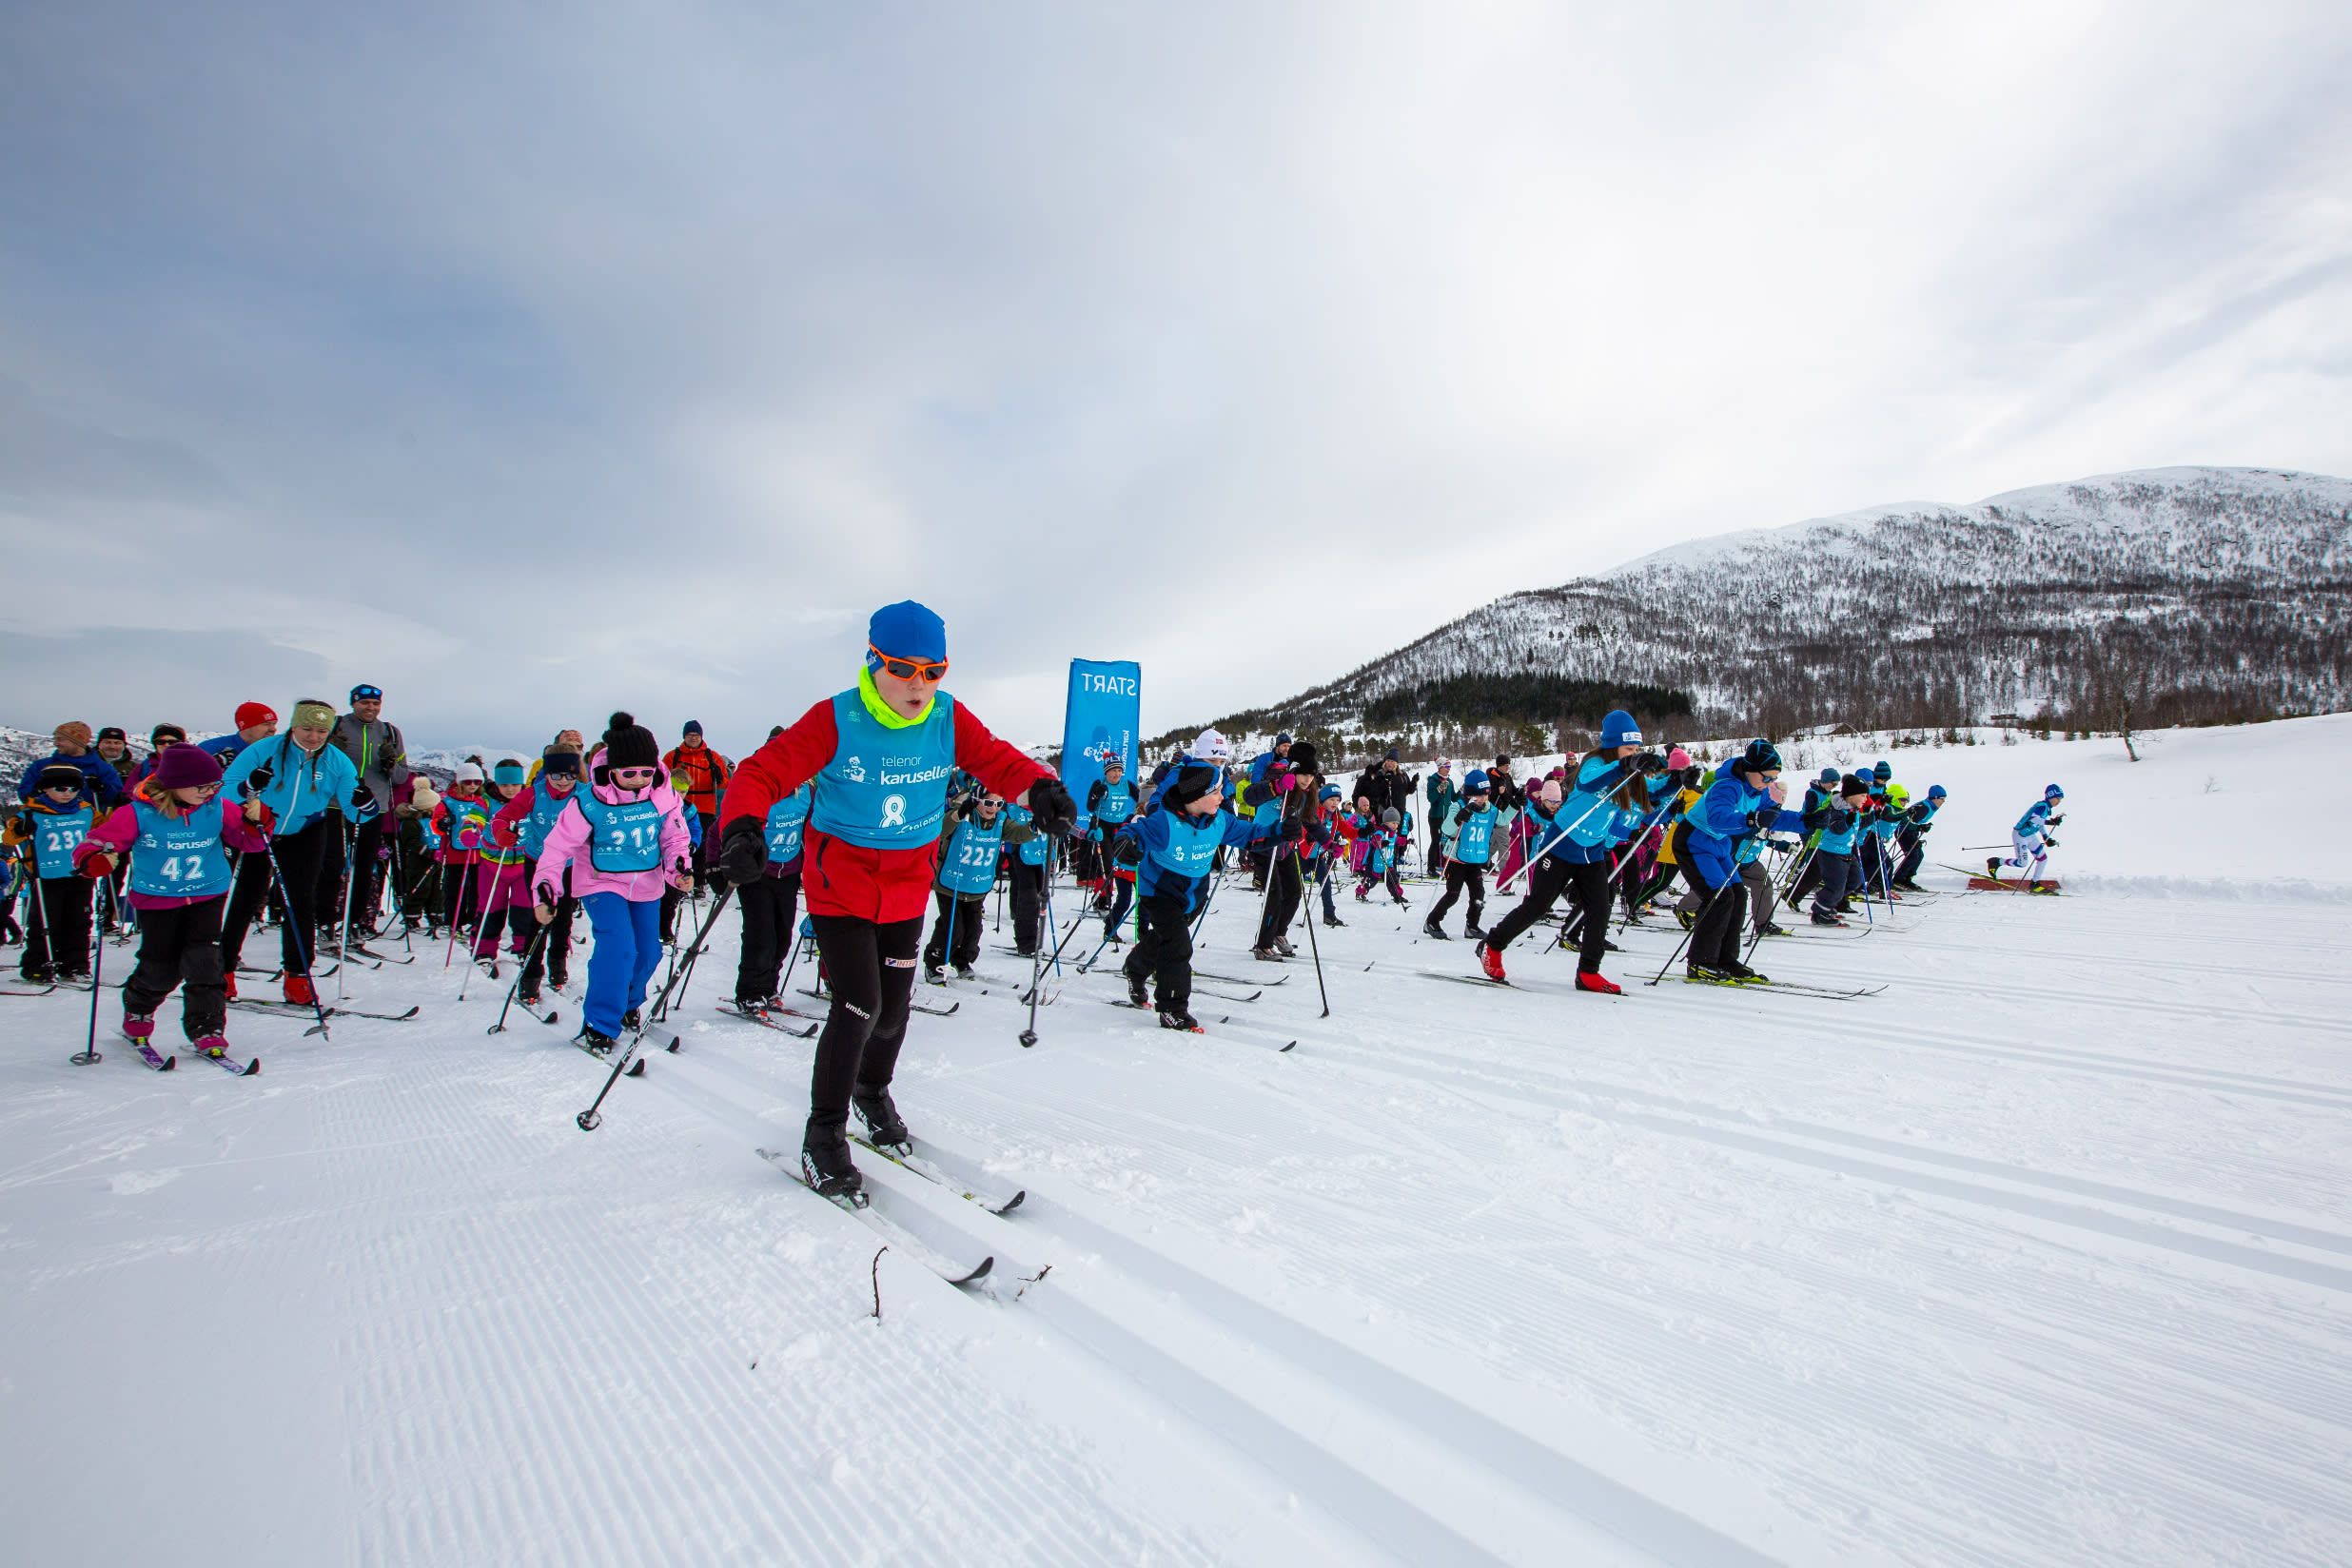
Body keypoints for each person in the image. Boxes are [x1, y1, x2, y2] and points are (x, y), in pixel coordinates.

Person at [710, 601, 1070, 1200]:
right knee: (857, 1005)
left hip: (906, 884)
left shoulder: (948, 718)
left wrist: (1039, 787)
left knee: (895, 1012)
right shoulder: (836, 719)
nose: (919, 684)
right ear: (873, 661)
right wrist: (742, 824)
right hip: (841, 883)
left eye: (935, 670)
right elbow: (763, 771)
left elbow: (996, 758)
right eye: (905, 668)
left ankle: (871, 1092)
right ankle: (823, 1133)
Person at [72, 743, 268, 1063]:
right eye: (201, 786)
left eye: (214, 785)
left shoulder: (217, 807)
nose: (210, 792)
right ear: (175, 784)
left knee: (205, 962)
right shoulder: (138, 813)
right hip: (157, 898)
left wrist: (257, 820)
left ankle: (206, 1027)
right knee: (161, 966)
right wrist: (94, 859)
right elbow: (97, 843)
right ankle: (138, 1009)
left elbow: (251, 842)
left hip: (207, 893)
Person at [527, 716, 694, 1049]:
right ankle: (600, 1022)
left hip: (646, 882)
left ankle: (628, 1004)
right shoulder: (589, 801)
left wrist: (679, 869)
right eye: (629, 773)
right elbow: (558, 848)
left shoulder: (663, 794)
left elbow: (675, 837)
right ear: (613, 769)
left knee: (648, 952)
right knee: (618, 949)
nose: (639, 780)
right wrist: (546, 890)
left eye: (646, 772)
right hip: (601, 882)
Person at [1477, 711, 1650, 990]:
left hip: (1591, 851)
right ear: (1613, 745)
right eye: (1629, 748)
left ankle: (1588, 972)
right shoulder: (1596, 763)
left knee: (1600, 908)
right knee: (1538, 905)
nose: (1633, 753)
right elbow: (1588, 782)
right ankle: (1493, 945)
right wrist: (1627, 764)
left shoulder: (1628, 773)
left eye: (1636, 749)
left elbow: (1651, 790)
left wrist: (1676, 780)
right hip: (1562, 844)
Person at [216, 700, 363, 1002]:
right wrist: (247, 787)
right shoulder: (263, 750)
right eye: (307, 728)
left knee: (300, 901)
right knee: (247, 896)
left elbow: (353, 808)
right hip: (261, 828)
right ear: (294, 725)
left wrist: (364, 804)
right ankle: (223, 970)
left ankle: (297, 976)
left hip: (306, 831)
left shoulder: (336, 760)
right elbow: (225, 789)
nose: (313, 736)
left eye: (322, 730)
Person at [1113, 763, 1259, 1031]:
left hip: (1192, 893)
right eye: (1216, 792)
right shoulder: (1165, 820)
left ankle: (1135, 966)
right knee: (1179, 946)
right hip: (1159, 891)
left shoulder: (1218, 819)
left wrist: (1282, 832)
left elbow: (1250, 834)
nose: (1222, 797)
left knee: (1167, 937)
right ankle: (1172, 1009)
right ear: (1197, 797)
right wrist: (1125, 843)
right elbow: (1132, 832)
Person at [1675, 739, 1796, 984]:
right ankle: (1700, 962)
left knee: (1738, 895)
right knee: (1719, 897)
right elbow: (1719, 818)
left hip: (1719, 845)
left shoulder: (1756, 791)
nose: (1769, 784)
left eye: (1773, 779)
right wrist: (1752, 820)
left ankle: (1725, 960)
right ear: (1751, 770)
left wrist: (1809, 821)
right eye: (1767, 778)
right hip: (1695, 841)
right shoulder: (1727, 786)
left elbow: (1774, 817)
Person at [491, 750, 584, 1003]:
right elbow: (504, 817)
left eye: (569, 775)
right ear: (547, 773)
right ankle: (531, 975)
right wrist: (501, 833)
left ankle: (558, 964)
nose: (563, 781)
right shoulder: (534, 793)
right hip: (538, 861)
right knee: (541, 917)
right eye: (557, 775)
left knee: (564, 917)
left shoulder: (583, 793)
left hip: (570, 864)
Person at [324, 683, 410, 935]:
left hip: (374, 806)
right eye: (364, 703)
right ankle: (327, 921)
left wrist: (390, 764)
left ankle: (354, 923)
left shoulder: (389, 733)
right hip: (336, 804)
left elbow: (401, 777)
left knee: (365, 868)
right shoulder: (337, 726)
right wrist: (332, 751)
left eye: (375, 703)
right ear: (353, 703)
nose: (370, 708)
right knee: (333, 865)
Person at [7, 764, 97, 982]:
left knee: (79, 921)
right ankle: (38, 965)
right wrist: (19, 829)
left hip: (80, 874)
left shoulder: (86, 810)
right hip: (46, 876)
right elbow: (9, 839)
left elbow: (104, 829)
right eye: (60, 788)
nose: (67, 793)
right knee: (46, 922)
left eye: (73, 789)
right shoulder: (32, 812)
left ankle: (75, 965)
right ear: (45, 789)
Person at [730, 780, 811, 1008]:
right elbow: (722, 828)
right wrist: (719, 866)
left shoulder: (806, 793)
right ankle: (750, 992)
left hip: (789, 872)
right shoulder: (755, 792)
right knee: (761, 935)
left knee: (783, 936)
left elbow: (815, 827)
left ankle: (768, 987)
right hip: (758, 873)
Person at [1248, 742, 1325, 959]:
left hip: (1285, 847)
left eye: (1311, 776)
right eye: (1304, 775)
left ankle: (1278, 933)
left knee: (1294, 892)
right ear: (1293, 769)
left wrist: (1328, 842)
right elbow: (1250, 796)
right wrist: (1277, 786)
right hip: (1264, 844)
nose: (1307, 780)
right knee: (1275, 895)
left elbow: (1311, 820)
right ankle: (1262, 945)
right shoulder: (1275, 777)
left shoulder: (1306, 791)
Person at [923, 789, 1006, 980]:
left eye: (998, 804)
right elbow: (941, 831)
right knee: (953, 927)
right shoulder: (962, 813)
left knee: (973, 929)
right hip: (950, 884)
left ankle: (962, 960)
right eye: (988, 803)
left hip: (976, 885)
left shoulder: (999, 821)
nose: (993, 808)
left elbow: (1017, 833)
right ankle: (935, 963)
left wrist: (1034, 828)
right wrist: (959, 814)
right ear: (976, 800)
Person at [1424, 768, 1496, 940]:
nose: (1483, 799)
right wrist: (1458, 819)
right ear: (1470, 794)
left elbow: (1502, 819)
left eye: (1486, 795)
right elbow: (1446, 829)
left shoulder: (1488, 808)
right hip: (1456, 859)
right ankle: (1432, 921)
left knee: (1479, 895)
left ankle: (1472, 926)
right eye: (1479, 796)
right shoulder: (1457, 806)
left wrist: (1515, 805)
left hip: (1474, 859)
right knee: (1453, 894)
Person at [663, 721, 735, 895]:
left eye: (696, 735)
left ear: (702, 736)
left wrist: (720, 776)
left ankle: (699, 882)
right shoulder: (673, 756)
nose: (693, 738)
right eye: (690, 735)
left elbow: (726, 783)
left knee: (701, 844)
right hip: (677, 806)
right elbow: (661, 780)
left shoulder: (712, 756)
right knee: (679, 843)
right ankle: (679, 877)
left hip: (705, 806)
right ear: (684, 736)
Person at [1800, 774, 1874, 926]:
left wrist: (1875, 816)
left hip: (1846, 852)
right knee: (1836, 886)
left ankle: (1825, 901)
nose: (1865, 799)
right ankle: (1820, 913)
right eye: (1863, 795)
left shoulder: (1854, 809)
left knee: (1856, 880)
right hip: (1831, 853)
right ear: (1851, 795)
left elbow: (1859, 823)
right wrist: (1847, 821)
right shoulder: (1836, 808)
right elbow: (1836, 828)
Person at [16, 722, 124, 809]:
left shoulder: (102, 768)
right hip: (49, 821)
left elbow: (117, 797)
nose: (56, 743)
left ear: (78, 742)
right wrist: (39, 790)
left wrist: (103, 788)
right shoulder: (42, 766)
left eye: (61, 739)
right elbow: (24, 793)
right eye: (55, 739)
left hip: (89, 823)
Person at [1992, 784, 2065, 883]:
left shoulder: (2046, 808)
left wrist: (2045, 838)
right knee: (2022, 863)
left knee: (2043, 859)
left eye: (2060, 799)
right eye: (2058, 798)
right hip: (2020, 835)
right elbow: (2034, 819)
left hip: (2030, 836)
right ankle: (1996, 862)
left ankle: (2035, 884)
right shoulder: (2042, 806)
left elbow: (2039, 823)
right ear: (2050, 796)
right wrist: (2050, 822)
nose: (2059, 801)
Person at [1892, 784, 1945, 890]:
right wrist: (1920, 828)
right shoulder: (1924, 807)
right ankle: (1898, 880)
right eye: (1942, 799)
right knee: (1913, 855)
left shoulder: (1930, 806)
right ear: (1934, 798)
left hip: (1910, 832)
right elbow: (1908, 823)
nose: (1943, 802)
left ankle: (1907, 879)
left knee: (1919, 855)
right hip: (1904, 831)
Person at [198, 703, 280, 771]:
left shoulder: (280, 751)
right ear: (246, 727)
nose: (273, 729)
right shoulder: (209, 748)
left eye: (274, 724)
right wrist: (210, 768)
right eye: (266, 724)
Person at [1422, 761, 1458, 876]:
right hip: (1435, 816)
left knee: (1447, 841)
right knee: (1435, 841)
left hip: (1447, 817)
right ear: (1440, 767)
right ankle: (1431, 868)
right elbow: (1431, 798)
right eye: (1447, 766)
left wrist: (1463, 792)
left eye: (1450, 766)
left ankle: (1444, 864)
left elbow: (1454, 797)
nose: (1449, 769)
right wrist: (1439, 789)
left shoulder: (1450, 781)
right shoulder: (1433, 780)